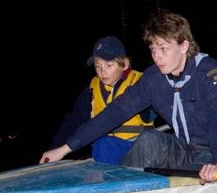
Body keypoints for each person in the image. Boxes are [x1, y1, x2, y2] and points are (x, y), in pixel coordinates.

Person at [40, 10, 217, 184]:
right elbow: (114, 113)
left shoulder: (210, 73)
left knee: (199, 167)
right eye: (153, 49)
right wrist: (65, 148)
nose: (157, 57)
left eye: (163, 48)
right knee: (149, 139)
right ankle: (117, 189)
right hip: (189, 151)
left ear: (184, 46)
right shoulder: (154, 78)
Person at [48, 36, 154, 164]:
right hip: (105, 153)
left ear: (125, 64)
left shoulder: (141, 84)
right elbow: (72, 123)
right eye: (98, 66)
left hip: (138, 152)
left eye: (109, 65)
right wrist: (55, 149)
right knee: (101, 147)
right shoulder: (90, 91)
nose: (103, 72)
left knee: (104, 144)